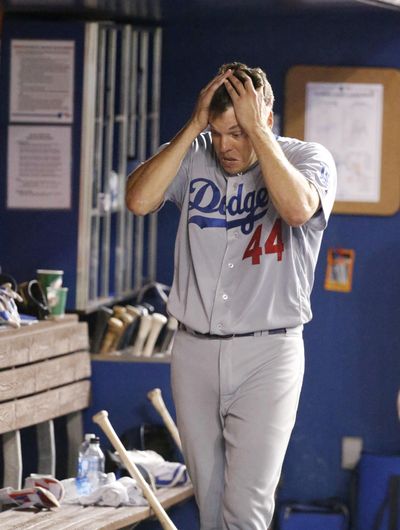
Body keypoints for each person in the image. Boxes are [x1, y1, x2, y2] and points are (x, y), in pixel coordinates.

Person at [126, 62, 337, 530]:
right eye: (219, 132)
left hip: (269, 351)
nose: (226, 145)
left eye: (238, 132)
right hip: (193, 350)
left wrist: (258, 133)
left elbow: (298, 209)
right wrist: (194, 126)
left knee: (246, 510)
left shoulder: (306, 158)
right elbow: (139, 200)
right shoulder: (197, 151)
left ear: (267, 118)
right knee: (210, 504)